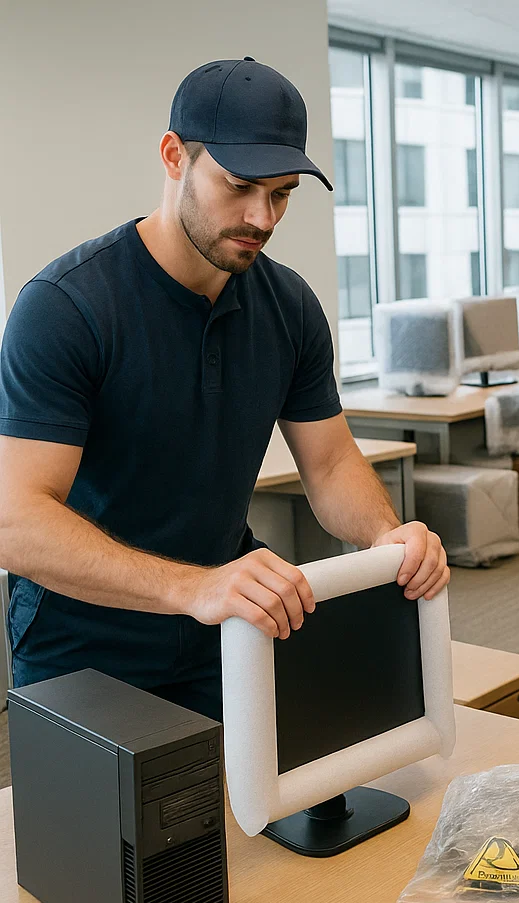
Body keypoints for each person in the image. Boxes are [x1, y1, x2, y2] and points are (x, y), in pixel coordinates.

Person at [0, 58, 450, 722]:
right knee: (117, 829)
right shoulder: (67, 307)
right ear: (174, 156)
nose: (261, 218)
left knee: (261, 815)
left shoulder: (289, 305)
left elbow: (328, 463)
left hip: (227, 624)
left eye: (282, 193)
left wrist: (385, 535)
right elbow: (16, 523)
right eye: (239, 186)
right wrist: (194, 588)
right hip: (87, 643)